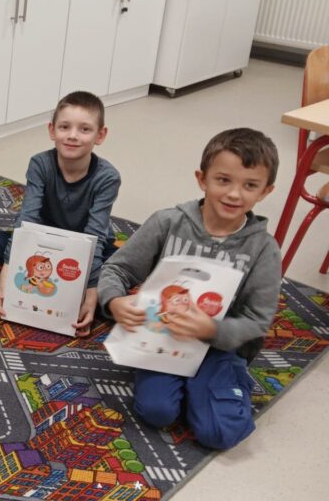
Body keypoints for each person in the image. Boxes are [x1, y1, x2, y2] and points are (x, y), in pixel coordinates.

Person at [99, 128, 281, 450]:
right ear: (202, 179)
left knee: (220, 433)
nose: (234, 194)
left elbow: (257, 321)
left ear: (266, 191)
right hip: (162, 334)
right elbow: (117, 268)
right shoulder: (168, 222)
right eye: (223, 180)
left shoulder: (264, 249)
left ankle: (218, 384)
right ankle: (183, 385)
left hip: (218, 346)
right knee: (157, 411)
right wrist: (114, 301)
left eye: (250, 185)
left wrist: (212, 330)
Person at [0, 91, 120, 335]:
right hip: (43, 244)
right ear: (52, 130)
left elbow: (95, 237)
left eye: (84, 129)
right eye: (64, 127)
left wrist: (90, 296)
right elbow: (26, 220)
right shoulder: (40, 164)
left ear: (100, 135)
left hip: (83, 246)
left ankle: (81, 282)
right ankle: (70, 280)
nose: (73, 136)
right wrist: (7, 277)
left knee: (120, 261)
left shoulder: (107, 177)